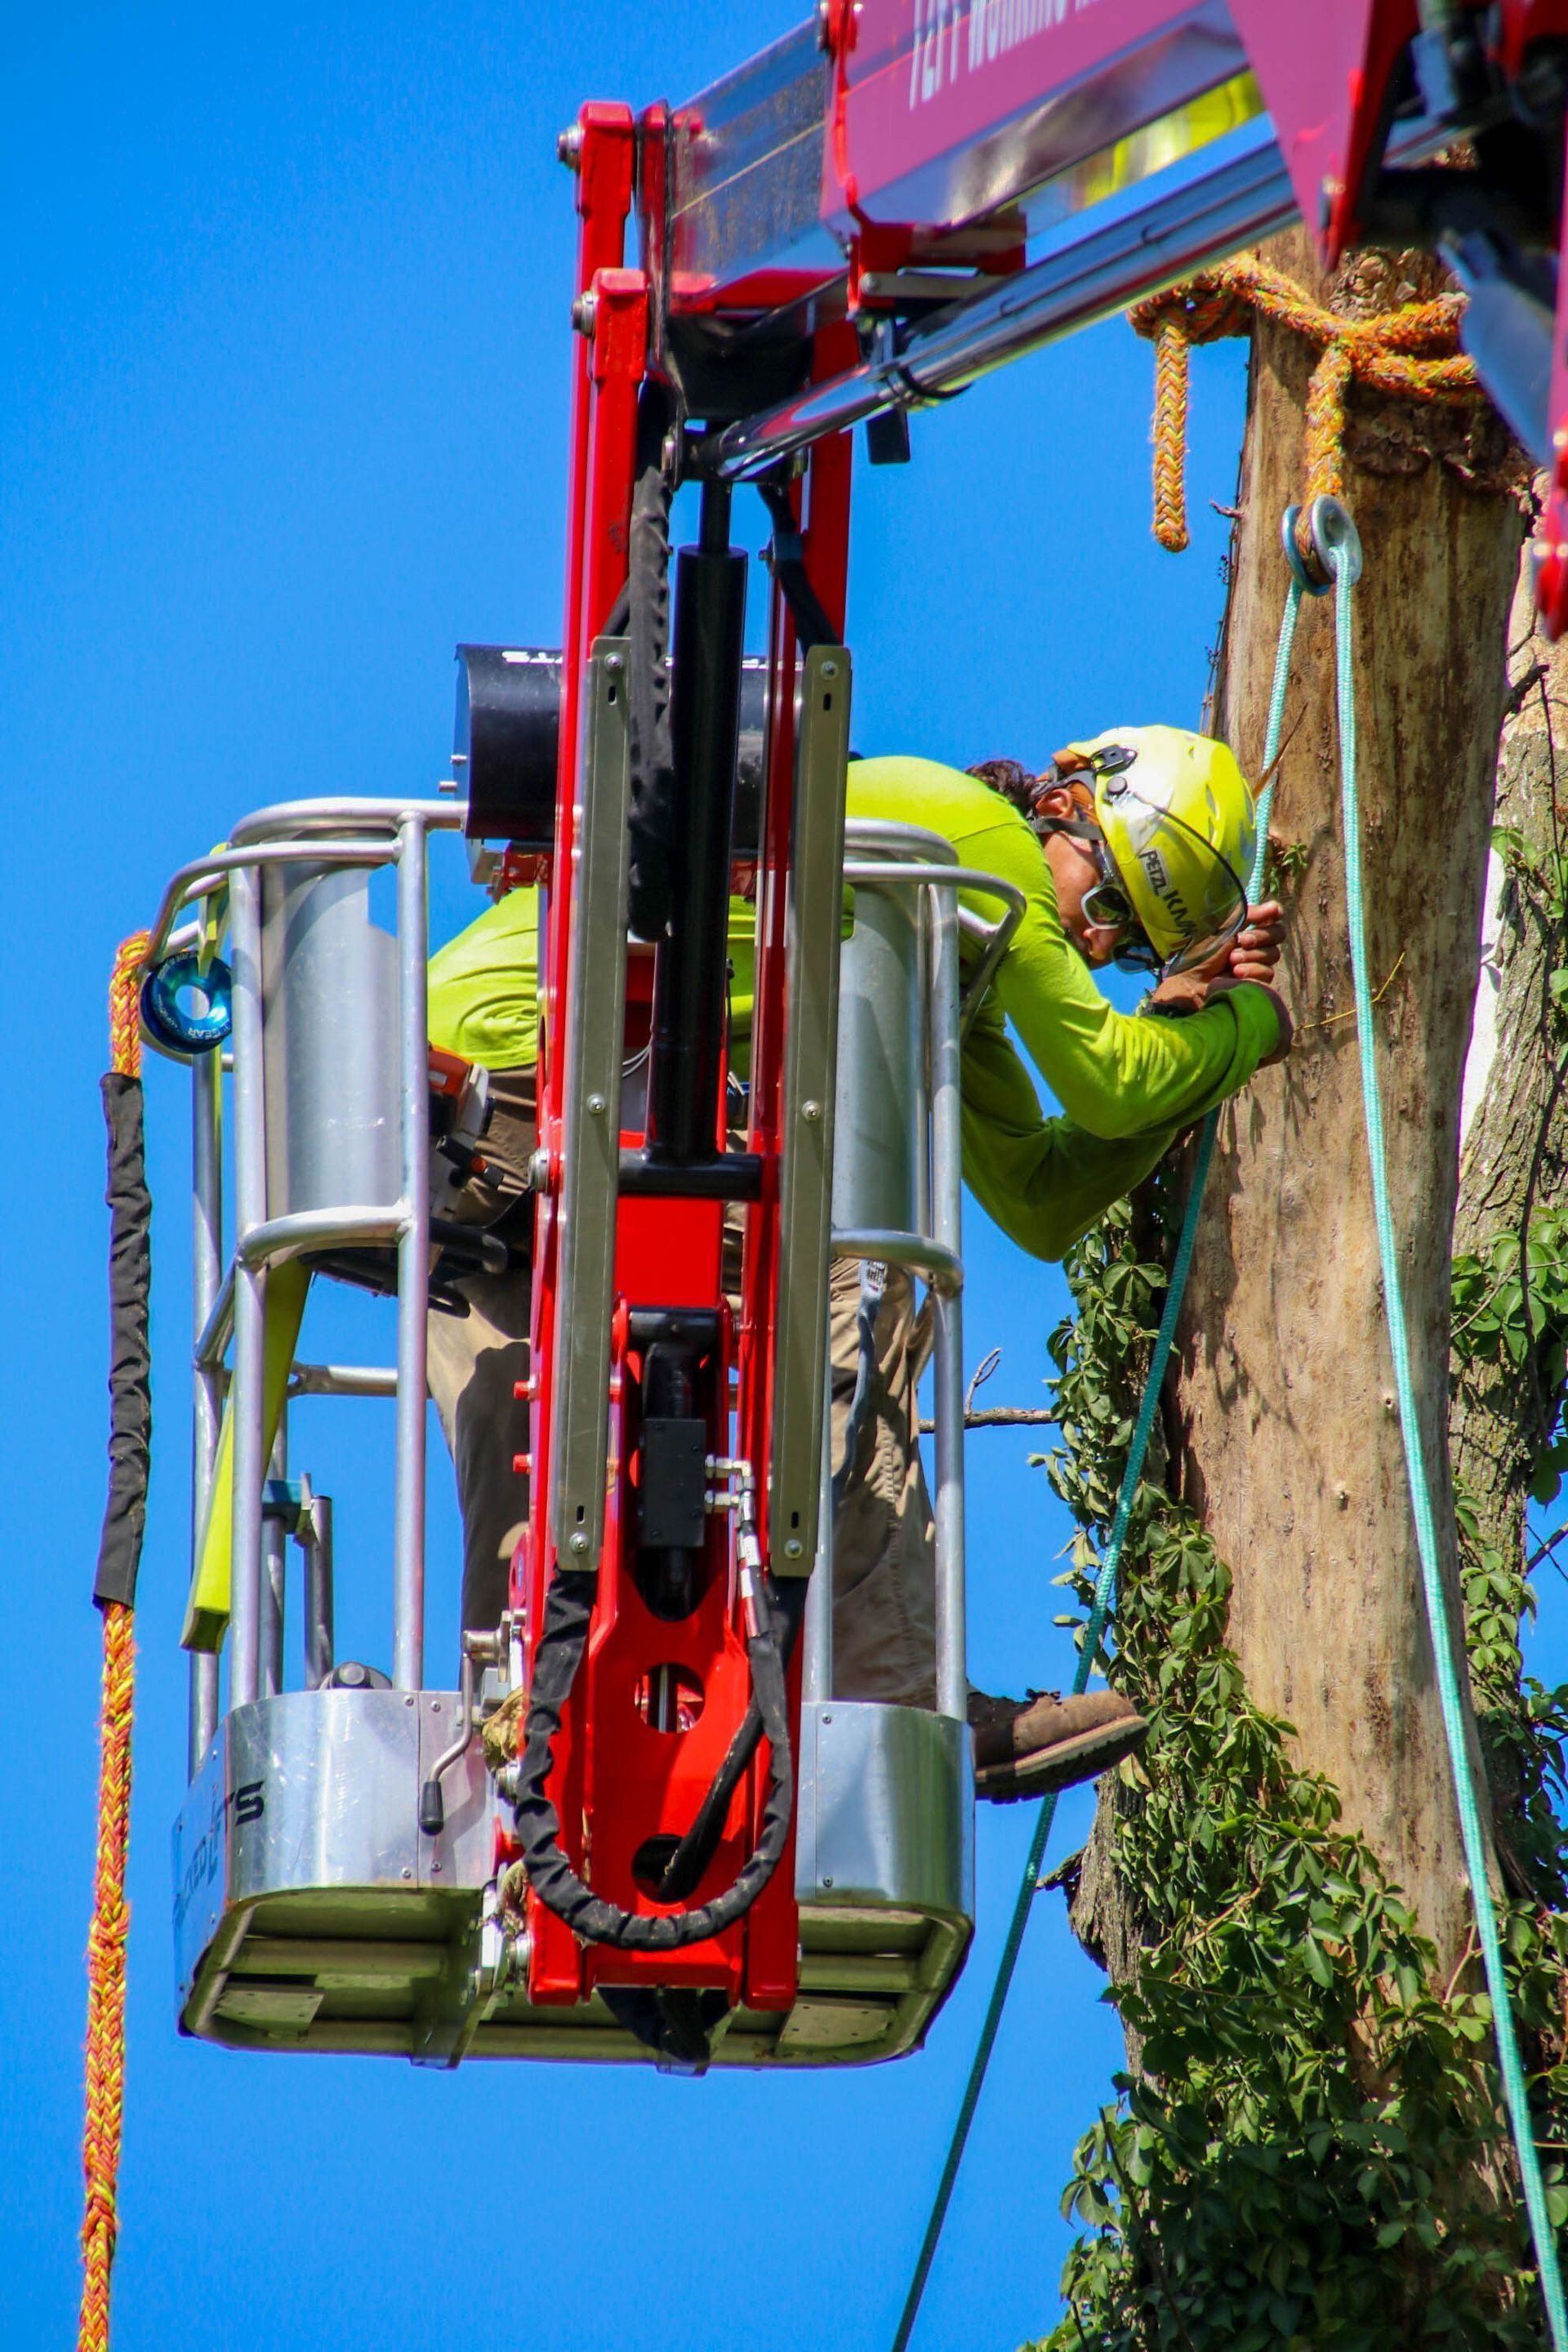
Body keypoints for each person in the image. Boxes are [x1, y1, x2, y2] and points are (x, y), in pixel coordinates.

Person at [425, 724, 1290, 1804]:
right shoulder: (977, 844)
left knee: (522, 1408)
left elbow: (1043, 1197)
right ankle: (892, 1695)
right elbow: (1110, 1079)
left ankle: (512, 1734)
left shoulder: (941, 935)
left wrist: (1185, 1040)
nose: (1096, 946)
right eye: (1108, 907)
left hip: (470, 1120)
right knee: (859, 1276)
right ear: (1066, 807)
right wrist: (1248, 1027)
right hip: (525, 1073)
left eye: (1127, 947)